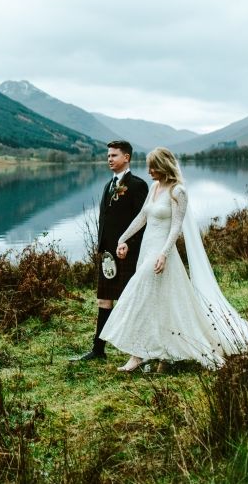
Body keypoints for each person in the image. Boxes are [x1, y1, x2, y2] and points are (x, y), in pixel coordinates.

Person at [100, 147, 248, 372]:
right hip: (147, 249)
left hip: (162, 252)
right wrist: (122, 239)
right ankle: (153, 354)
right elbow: (143, 216)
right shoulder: (154, 187)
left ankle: (141, 355)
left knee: (139, 294)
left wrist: (164, 254)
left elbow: (176, 227)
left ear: (164, 166)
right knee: (159, 303)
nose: (149, 171)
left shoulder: (178, 192)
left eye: (153, 166)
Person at [71, 140, 149, 361]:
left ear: (127, 157)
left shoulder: (137, 185)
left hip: (127, 254)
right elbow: (104, 220)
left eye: (114, 155)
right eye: (108, 156)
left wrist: (129, 246)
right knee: (104, 300)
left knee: (130, 301)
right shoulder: (108, 185)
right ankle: (98, 350)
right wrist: (101, 248)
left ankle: (138, 352)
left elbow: (143, 221)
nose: (109, 159)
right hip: (108, 255)